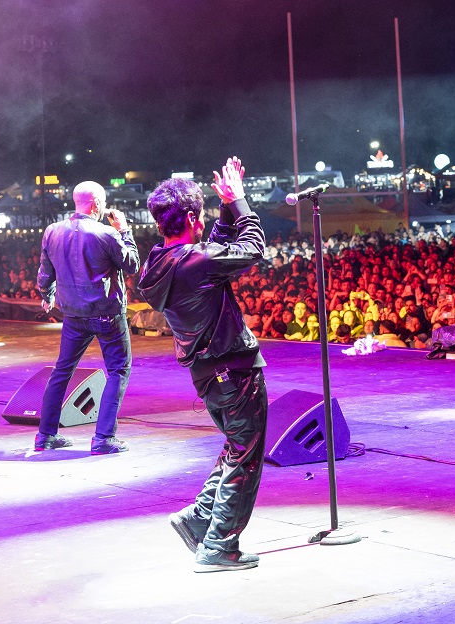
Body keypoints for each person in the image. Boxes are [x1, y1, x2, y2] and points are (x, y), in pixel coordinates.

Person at [138, 156, 267, 573]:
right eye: (204, 215)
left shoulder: (159, 262)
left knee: (236, 446)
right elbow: (252, 249)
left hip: (208, 373)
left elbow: (211, 252)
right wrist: (239, 201)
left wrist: (226, 208)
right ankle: (219, 547)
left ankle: (197, 520)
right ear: (192, 218)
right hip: (233, 369)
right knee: (245, 455)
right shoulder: (196, 262)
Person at [34, 181, 139, 454]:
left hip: (73, 314)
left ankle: (45, 435)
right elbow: (131, 264)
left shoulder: (52, 231)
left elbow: (45, 271)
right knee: (118, 370)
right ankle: (103, 438)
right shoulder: (107, 233)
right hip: (107, 314)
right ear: (97, 204)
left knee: (62, 371)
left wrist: (47, 294)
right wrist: (124, 231)